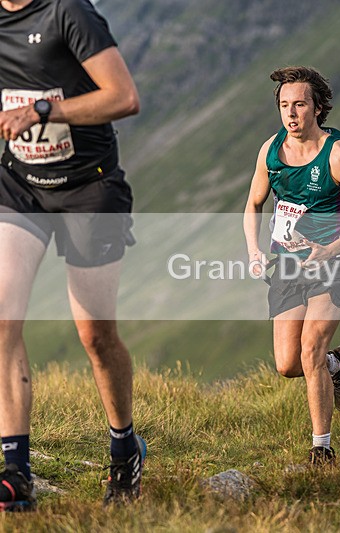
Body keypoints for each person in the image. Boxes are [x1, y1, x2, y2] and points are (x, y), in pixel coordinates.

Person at [0, 0, 145, 509]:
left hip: (89, 189)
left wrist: (42, 110)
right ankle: (15, 473)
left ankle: (125, 448)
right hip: (19, 188)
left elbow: (124, 97)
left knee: (96, 335)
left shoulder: (67, 12)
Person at [243, 66, 340, 465]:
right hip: (287, 266)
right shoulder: (271, 151)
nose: (291, 113)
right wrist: (253, 251)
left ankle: (322, 447)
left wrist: (332, 249)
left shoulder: (338, 155)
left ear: (318, 108)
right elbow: (253, 203)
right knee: (288, 365)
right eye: (285, 105)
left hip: (333, 264)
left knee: (310, 348)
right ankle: (339, 364)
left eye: (300, 104)